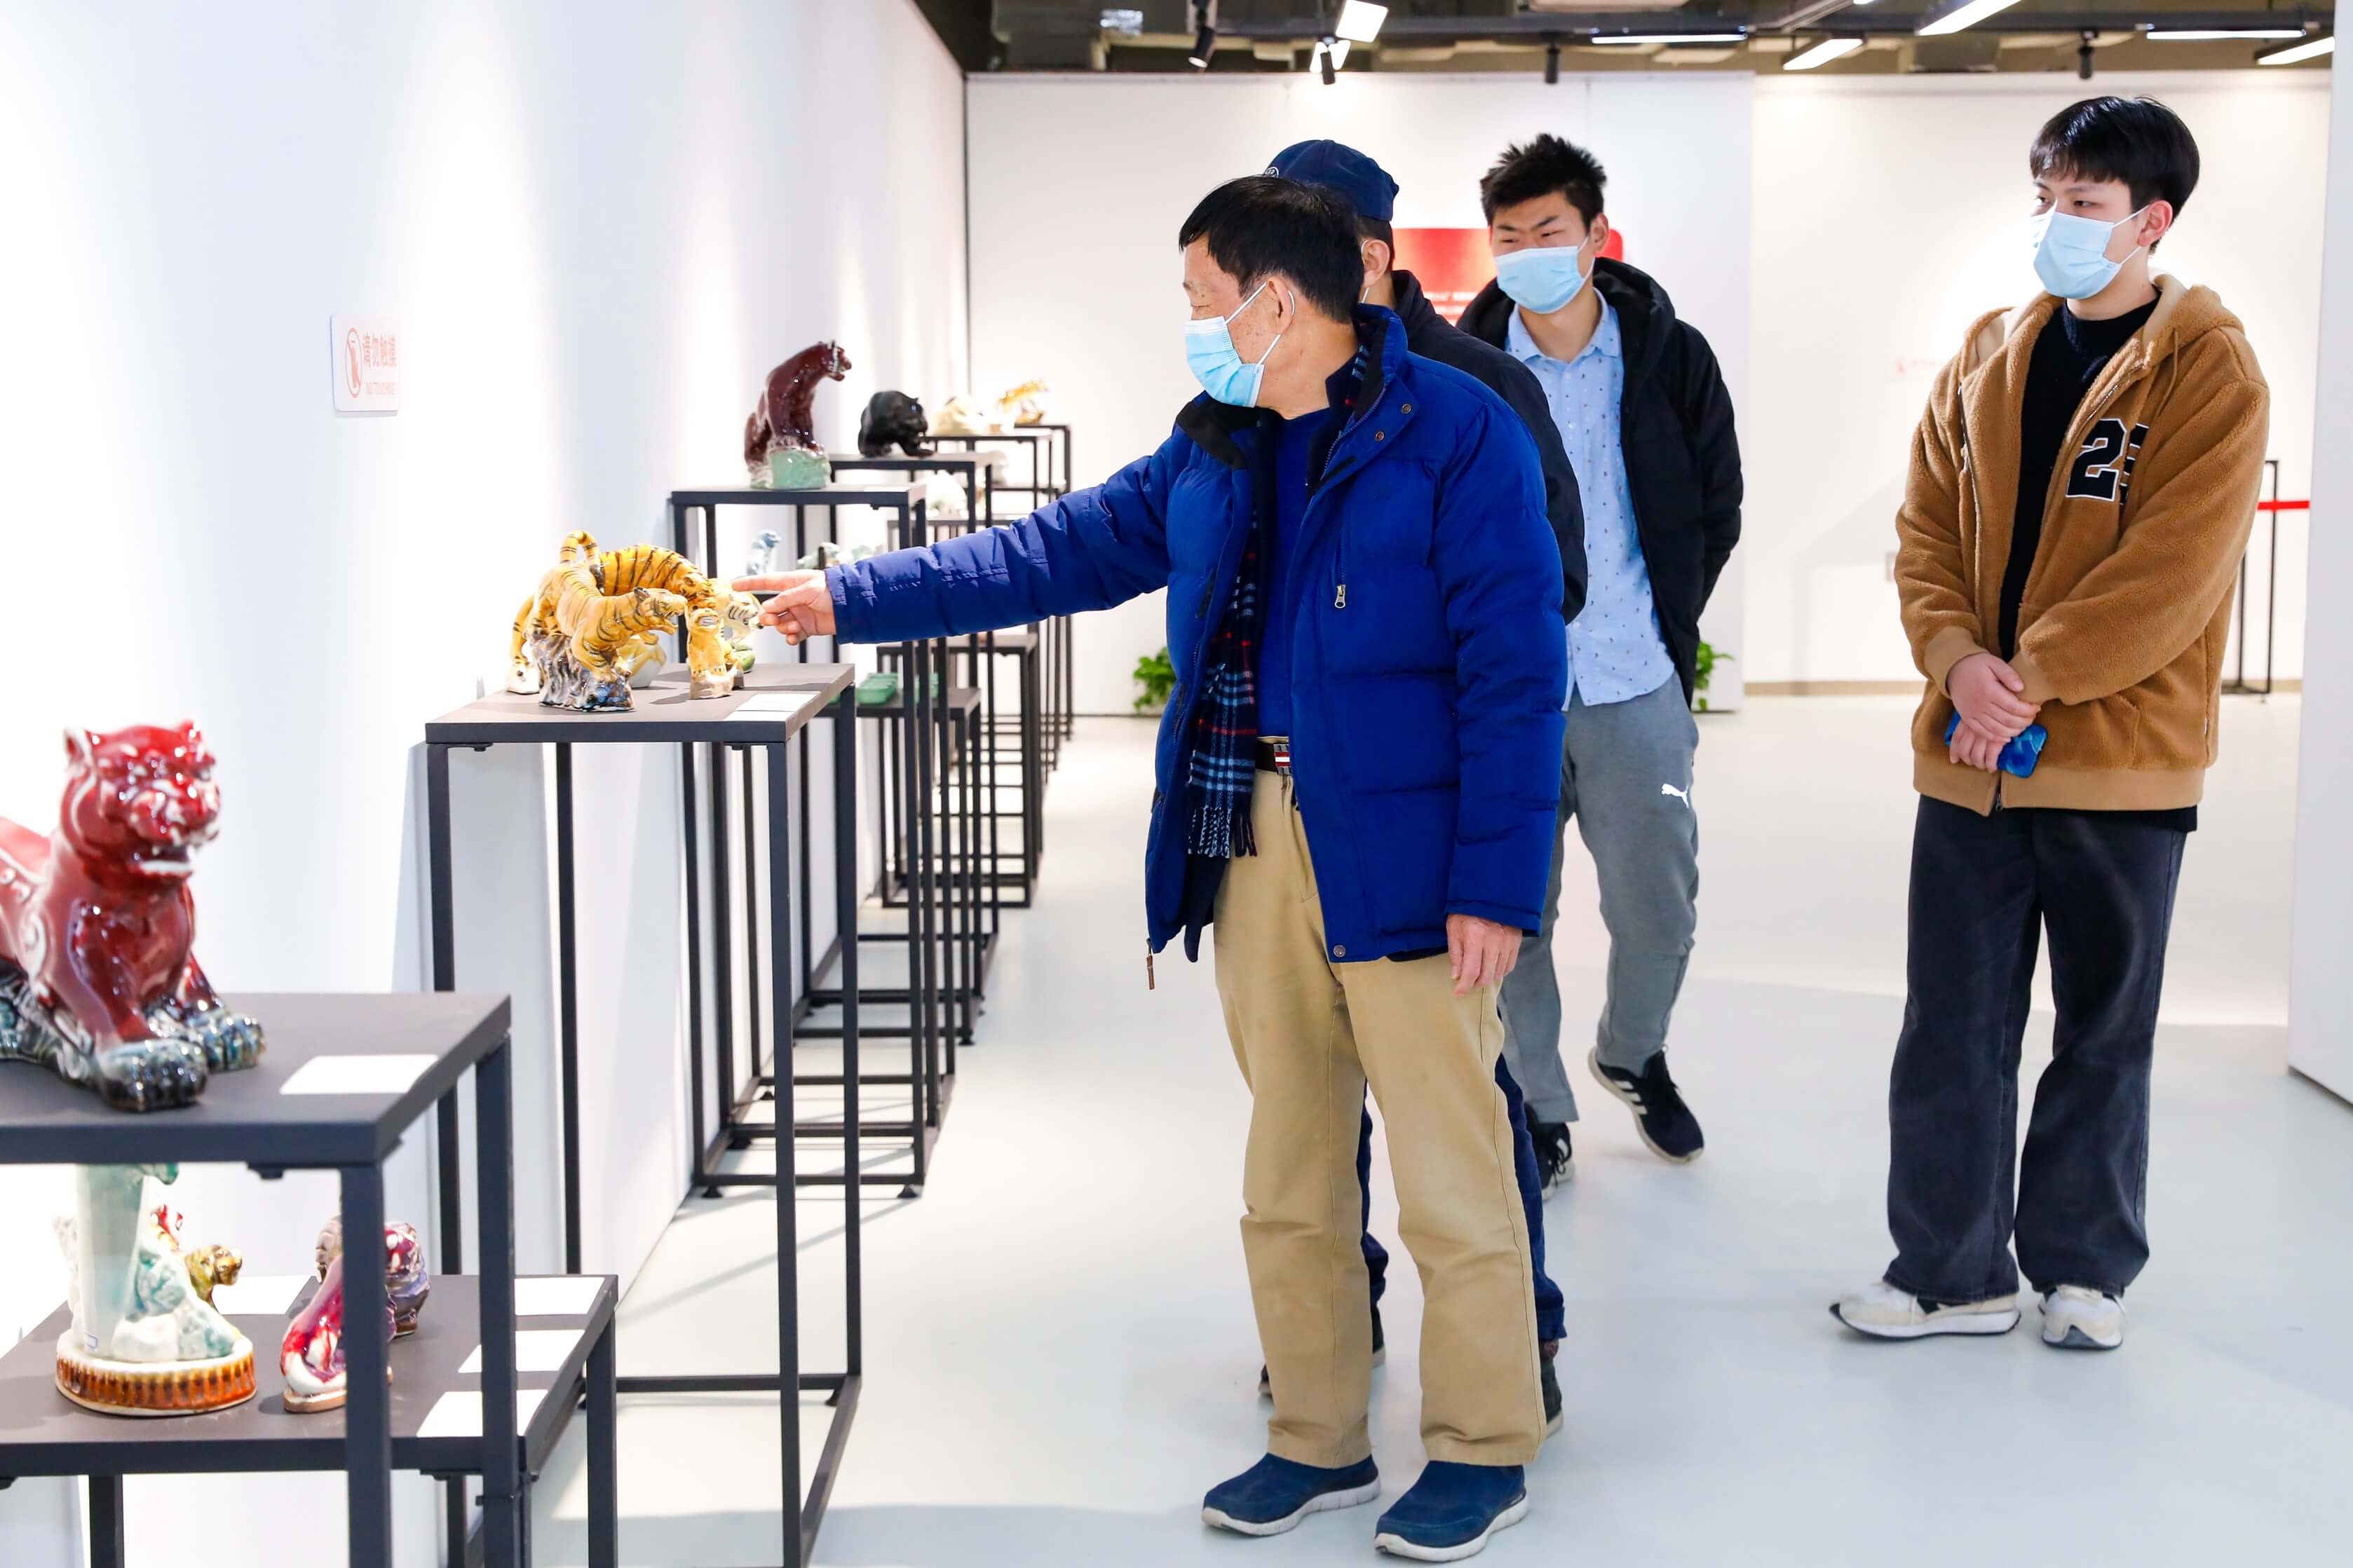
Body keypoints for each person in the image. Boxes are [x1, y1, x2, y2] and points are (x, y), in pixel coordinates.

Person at [744, 175, 1566, 1560]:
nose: (1189, 322)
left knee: (1452, 1171)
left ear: (1276, 301)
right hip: (1253, 837)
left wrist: (1497, 881)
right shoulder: (1216, 444)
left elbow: (1516, 666)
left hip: (1414, 855)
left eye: (1200, 296)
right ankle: (1316, 1434)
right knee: (1289, 1165)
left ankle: (1484, 1445)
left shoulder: (1457, 432)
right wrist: (853, 596)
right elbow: (1053, 552)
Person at [1834, 97, 2267, 1351]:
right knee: (1951, 1024)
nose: (2056, 223)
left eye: (2083, 203)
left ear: (2152, 220)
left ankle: (2084, 1269)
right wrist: (1956, 663)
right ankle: (1950, 1269)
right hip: (1969, 762)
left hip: (2117, 763)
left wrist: (2021, 681)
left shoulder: (2210, 369)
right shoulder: (1990, 350)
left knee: (2103, 1028)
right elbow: (1925, 531)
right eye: (2047, 199)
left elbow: (2174, 571)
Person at [1263, 137, 1580, 1434]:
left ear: (1366, 257)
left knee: (1462, 1111)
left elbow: (1542, 601)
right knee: (1311, 1120)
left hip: (1424, 816)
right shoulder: (1260, 404)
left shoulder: (1477, 398)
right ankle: (1335, 1336)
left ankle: (1519, 1341)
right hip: (1295, 824)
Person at [1454, 135, 1743, 1177]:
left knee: (1659, 909)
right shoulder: (1463, 371)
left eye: (1549, 231)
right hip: (1508, 695)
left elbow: (1717, 502)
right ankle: (1538, 1103)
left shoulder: (1670, 355)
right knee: (1513, 916)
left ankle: (1633, 1053)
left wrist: (1667, 618)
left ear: (1595, 237)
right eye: (1509, 237)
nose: (1528, 252)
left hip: (1635, 681)